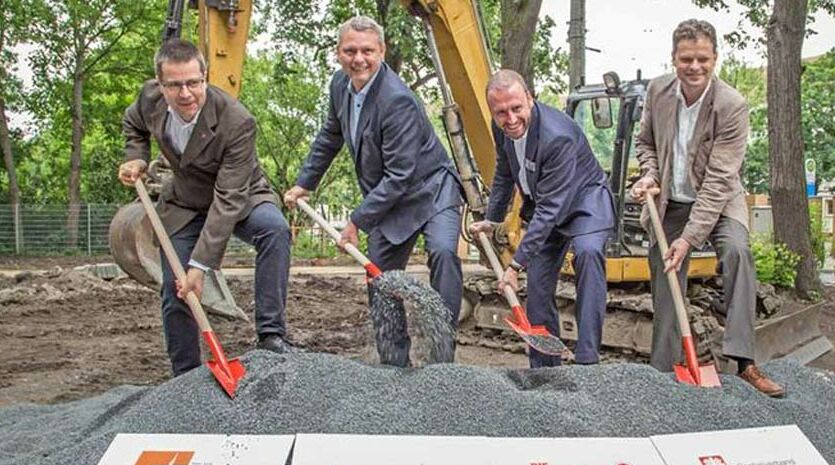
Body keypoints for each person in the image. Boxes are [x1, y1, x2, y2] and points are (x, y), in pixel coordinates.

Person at [284, 16, 464, 367]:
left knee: (443, 252)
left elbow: (400, 175)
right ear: (338, 53)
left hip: (430, 190)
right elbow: (330, 136)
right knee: (378, 273)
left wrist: (356, 220)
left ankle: (444, 361)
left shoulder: (397, 100)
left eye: (367, 50)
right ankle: (394, 363)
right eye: (350, 51)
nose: (359, 59)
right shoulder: (340, 85)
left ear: (381, 51)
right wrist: (305, 182)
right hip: (391, 196)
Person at [118, 39, 295, 376]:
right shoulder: (149, 99)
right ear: (160, 84)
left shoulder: (237, 121)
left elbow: (228, 198)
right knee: (177, 289)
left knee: (275, 230)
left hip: (241, 195)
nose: (185, 94)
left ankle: (271, 334)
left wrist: (201, 265)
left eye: (193, 83)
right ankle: (184, 374)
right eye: (175, 85)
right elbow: (133, 123)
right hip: (186, 201)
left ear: (205, 77)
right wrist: (136, 157)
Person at [629, 19, 784, 397]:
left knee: (736, 252)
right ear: (674, 59)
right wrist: (650, 174)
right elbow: (645, 142)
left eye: (702, 59)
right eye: (686, 59)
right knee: (665, 270)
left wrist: (688, 239)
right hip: (672, 198)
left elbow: (718, 182)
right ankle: (664, 370)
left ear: (715, 59)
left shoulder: (731, 105)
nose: (694, 67)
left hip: (719, 198)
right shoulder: (657, 92)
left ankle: (744, 362)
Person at [469, 69, 615, 368]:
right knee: (537, 283)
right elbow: (505, 173)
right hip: (546, 205)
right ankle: (545, 367)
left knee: (587, 254)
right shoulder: (502, 129)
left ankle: (588, 362)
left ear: (530, 100)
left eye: (516, 109)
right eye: (501, 112)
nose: (510, 119)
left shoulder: (556, 136)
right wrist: (492, 219)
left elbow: (550, 209)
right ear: (492, 111)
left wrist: (514, 265)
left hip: (584, 203)